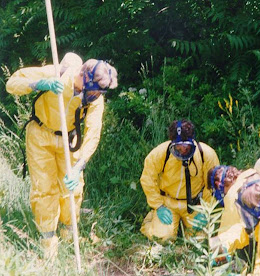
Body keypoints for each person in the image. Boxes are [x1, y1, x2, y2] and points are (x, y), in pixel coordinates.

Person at [6, 53, 118, 258]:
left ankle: (69, 232)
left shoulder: (95, 98)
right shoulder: (55, 73)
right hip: (41, 135)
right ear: (85, 77)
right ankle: (48, 241)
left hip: (70, 140)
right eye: (94, 91)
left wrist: (79, 166)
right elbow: (12, 84)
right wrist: (39, 84)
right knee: (44, 189)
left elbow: (93, 133)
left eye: (99, 93)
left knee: (73, 188)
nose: (95, 97)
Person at [140, 119, 220, 242]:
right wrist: (158, 205)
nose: (182, 150)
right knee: (162, 238)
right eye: (178, 147)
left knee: (199, 241)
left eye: (186, 147)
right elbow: (148, 178)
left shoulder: (206, 154)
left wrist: (206, 210)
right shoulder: (161, 153)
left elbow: (213, 184)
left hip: (194, 205)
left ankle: (186, 226)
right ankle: (151, 220)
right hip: (168, 203)